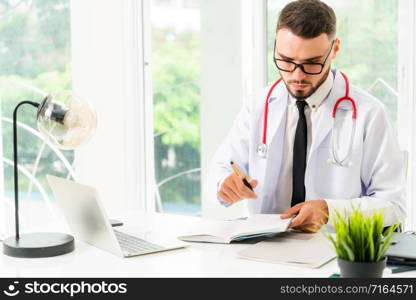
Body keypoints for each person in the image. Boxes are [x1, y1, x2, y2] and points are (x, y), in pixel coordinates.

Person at [206, 0, 406, 232]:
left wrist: (330, 211)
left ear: (335, 49)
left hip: (336, 251)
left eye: (312, 63)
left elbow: (393, 206)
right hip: (265, 246)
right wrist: (224, 184)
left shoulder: (369, 114)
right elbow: (220, 170)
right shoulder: (258, 106)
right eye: (286, 61)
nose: (296, 75)